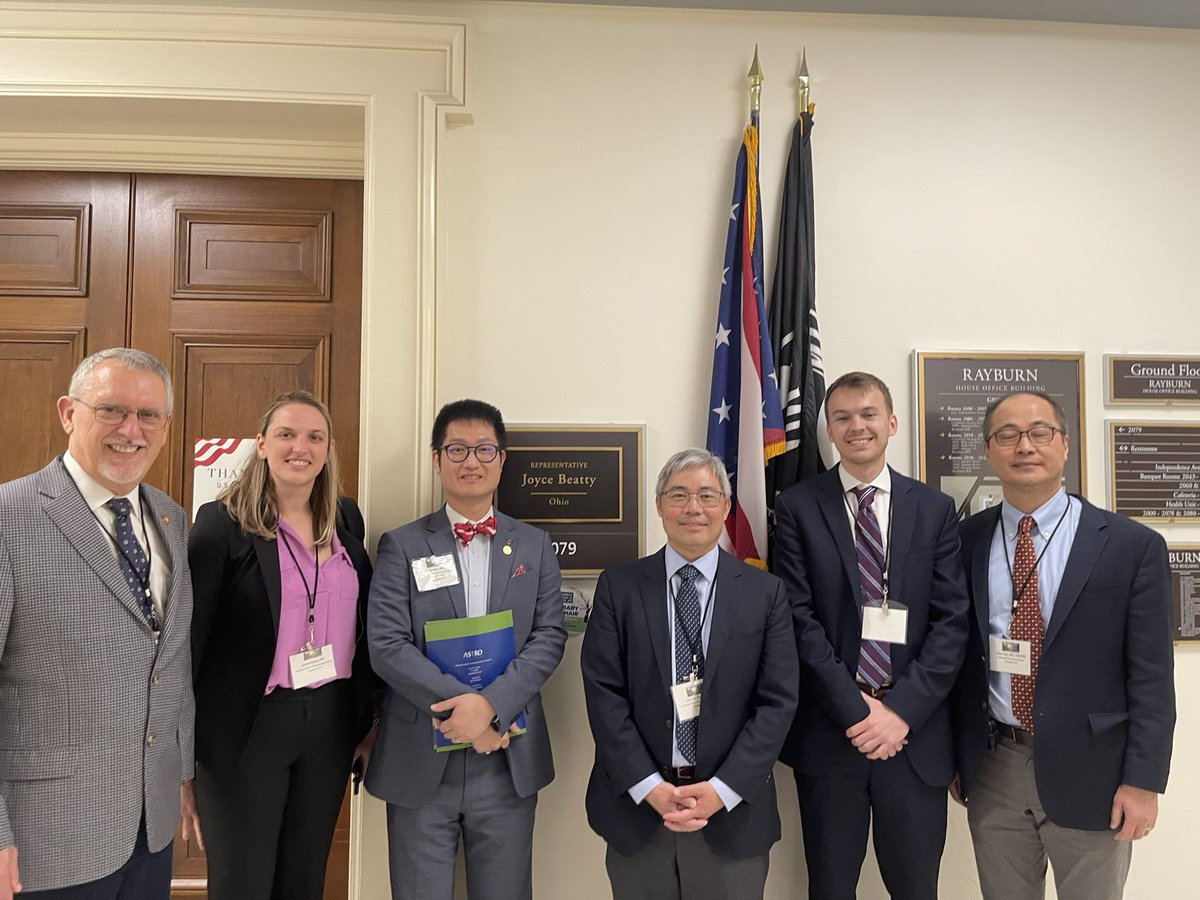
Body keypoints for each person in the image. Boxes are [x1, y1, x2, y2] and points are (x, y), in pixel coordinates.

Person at [950, 390, 1175, 899]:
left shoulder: (1129, 547)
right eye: (1007, 435)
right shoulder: (965, 541)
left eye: (1039, 432)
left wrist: (1144, 783)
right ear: (989, 452)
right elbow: (959, 657)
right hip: (995, 768)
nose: (1024, 445)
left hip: (1096, 771)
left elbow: (1152, 678)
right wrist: (957, 758)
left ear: (1065, 445)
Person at [0, 347, 200, 898]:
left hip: (148, 824)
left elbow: (169, 657)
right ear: (69, 413)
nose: (130, 430)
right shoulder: (8, 518)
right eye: (111, 410)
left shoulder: (170, 517)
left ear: (165, 426)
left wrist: (181, 772)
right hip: (47, 835)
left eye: (148, 415)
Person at [772, 371, 970, 899]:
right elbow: (797, 617)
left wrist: (899, 711)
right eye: (842, 418)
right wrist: (858, 711)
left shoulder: (934, 509)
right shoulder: (796, 507)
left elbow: (952, 621)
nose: (857, 426)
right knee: (830, 889)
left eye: (867, 414)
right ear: (830, 433)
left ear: (891, 423)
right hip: (833, 737)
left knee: (916, 889)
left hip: (914, 740)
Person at [367, 399, 566, 900]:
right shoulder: (402, 544)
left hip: (507, 755)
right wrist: (466, 709)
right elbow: (387, 645)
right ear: (437, 459)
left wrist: (490, 709)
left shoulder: (534, 545)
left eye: (483, 449)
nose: (470, 461)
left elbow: (549, 637)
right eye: (456, 449)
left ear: (502, 459)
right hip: (420, 760)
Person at [581, 448, 799, 900]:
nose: (692, 508)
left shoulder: (765, 592)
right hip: (639, 812)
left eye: (706, 495)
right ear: (660, 505)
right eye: (678, 495)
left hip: (732, 814)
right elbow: (604, 694)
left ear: (725, 506)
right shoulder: (619, 586)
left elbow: (777, 702)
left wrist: (722, 789)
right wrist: (650, 787)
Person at [188, 390, 377, 899]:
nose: (301, 447)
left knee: (303, 880)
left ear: (329, 448)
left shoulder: (346, 519)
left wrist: (368, 722)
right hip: (248, 727)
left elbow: (363, 627)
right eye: (287, 434)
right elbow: (191, 644)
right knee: (243, 883)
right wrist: (182, 759)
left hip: (330, 725)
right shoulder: (221, 524)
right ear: (262, 445)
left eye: (314, 437)